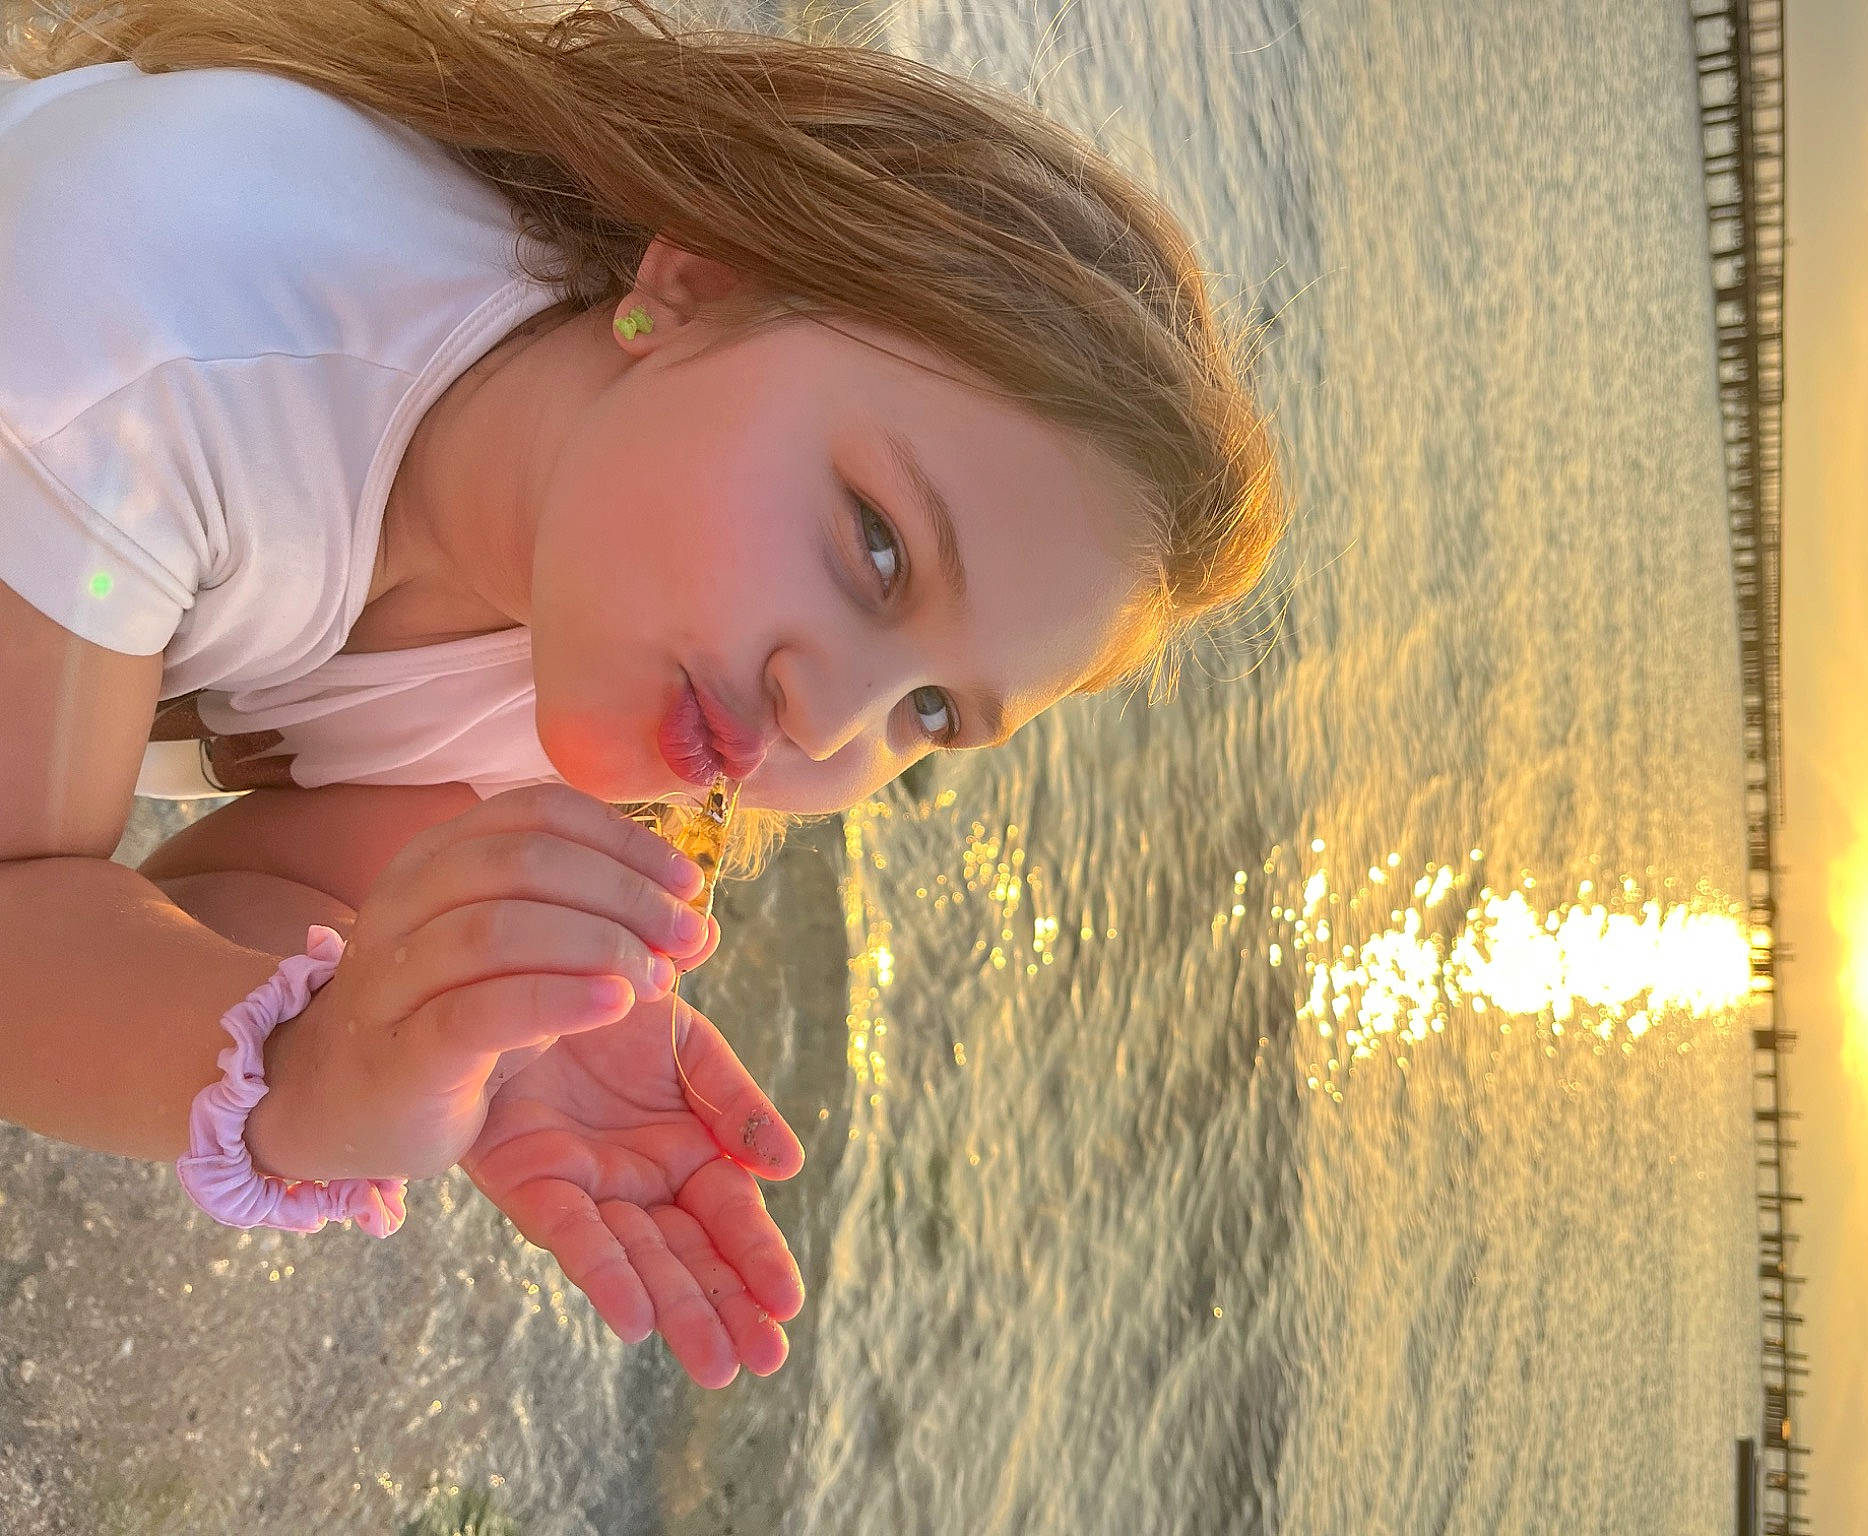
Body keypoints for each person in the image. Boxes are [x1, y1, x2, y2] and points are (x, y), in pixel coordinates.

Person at [0, 0, 1290, 1391]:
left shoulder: (588, 609)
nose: (828, 719)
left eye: (930, 718)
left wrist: (437, 1014)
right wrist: (307, 1086)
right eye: (876, 544)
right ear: (699, 285)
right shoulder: (144, 352)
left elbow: (195, 908)